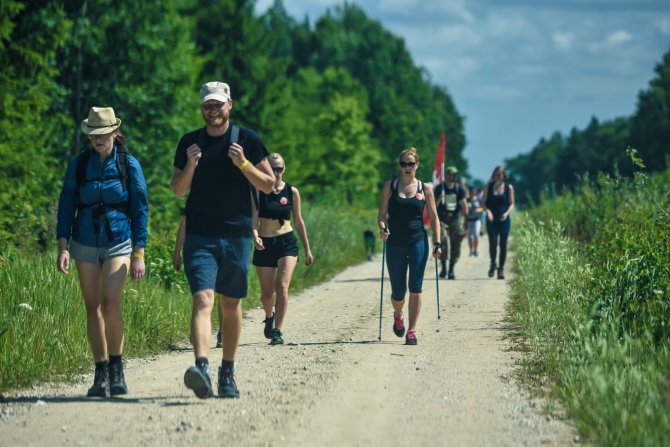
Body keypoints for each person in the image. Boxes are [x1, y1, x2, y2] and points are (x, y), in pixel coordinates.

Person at [171, 81, 274, 399]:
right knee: (203, 299)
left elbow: (269, 184)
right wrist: (191, 164)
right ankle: (201, 367)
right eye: (207, 105)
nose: (212, 109)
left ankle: (227, 371)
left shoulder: (247, 140)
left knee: (230, 304)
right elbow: (177, 189)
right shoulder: (189, 142)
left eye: (218, 104)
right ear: (202, 108)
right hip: (200, 235)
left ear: (230, 104)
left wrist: (243, 163)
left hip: (236, 235)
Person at [56, 106, 149, 397]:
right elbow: (67, 203)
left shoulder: (128, 164)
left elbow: (140, 207)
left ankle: (117, 370)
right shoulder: (79, 164)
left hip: (119, 239)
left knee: (111, 304)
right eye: (93, 134)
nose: (98, 139)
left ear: (113, 133)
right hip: (84, 241)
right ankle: (100, 374)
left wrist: (139, 252)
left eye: (103, 133)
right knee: (92, 307)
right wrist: (63, 247)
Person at [377, 147, 441, 346]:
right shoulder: (390, 187)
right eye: (403, 164)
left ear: (417, 166)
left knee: (416, 286)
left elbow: (434, 217)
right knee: (398, 291)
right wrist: (382, 228)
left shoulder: (425, 189)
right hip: (395, 243)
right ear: (400, 166)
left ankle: (412, 331)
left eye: (410, 164)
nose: (407, 167)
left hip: (417, 242)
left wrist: (437, 242)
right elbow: (381, 215)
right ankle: (398, 313)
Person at [252, 153, 313, 346]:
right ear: (266, 169)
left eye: (279, 168)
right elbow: (253, 219)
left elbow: (298, 220)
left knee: (282, 286)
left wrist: (307, 248)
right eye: (273, 168)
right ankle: (269, 316)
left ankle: (277, 330)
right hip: (264, 242)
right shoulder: (258, 190)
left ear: (284, 169)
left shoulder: (291, 191)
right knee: (267, 293)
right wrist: (254, 235)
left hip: (287, 241)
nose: (276, 172)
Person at [173, 215, 222, 348]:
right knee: (201, 294)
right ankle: (198, 330)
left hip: (225, 247)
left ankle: (223, 333)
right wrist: (177, 252)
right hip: (200, 250)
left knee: (223, 293)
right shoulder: (198, 196)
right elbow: (185, 223)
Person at [481, 166, 515, 279]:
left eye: (500, 174)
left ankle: (501, 269)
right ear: (493, 175)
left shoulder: (509, 187)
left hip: (504, 220)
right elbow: (483, 203)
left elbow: (511, 203)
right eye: (496, 173)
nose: (498, 176)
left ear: (504, 175)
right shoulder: (488, 187)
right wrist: (488, 212)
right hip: (491, 220)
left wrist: (506, 213)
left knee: (503, 245)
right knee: (493, 244)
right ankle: (493, 264)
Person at [433, 166, 468, 279]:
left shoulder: (459, 189)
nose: (452, 176)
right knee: (442, 240)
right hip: (442, 218)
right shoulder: (439, 188)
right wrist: (440, 198)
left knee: (456, 240)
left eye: (454, 174)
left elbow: (464, 205)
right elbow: (433, 206)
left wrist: (465, 219)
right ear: (446, 175)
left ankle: (451, 269)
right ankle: (443, 267)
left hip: (455, 217)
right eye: (450, 174)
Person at [466, 188, 483, 256]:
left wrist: (477, 210)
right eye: (470, 192)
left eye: (473, 192)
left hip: (476, 219)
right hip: (469, 220)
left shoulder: (478, 200)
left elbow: (482, 208)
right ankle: (471, 250)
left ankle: (475, 250)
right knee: (470, 237)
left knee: (476, 235)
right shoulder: (467, 200)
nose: (472, 193)